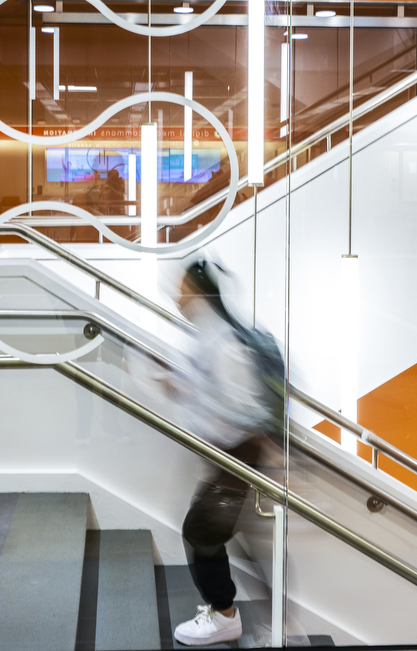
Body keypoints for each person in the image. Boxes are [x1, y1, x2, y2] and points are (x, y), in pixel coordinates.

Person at [163, 259, 284, 646]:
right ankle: (276, 623)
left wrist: (195, 405)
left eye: (182, 289)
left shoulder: (223, 342)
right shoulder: (208, 335)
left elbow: (240, 407)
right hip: (231, 456)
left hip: (238, 456)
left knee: (200, 531)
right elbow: (216, 392)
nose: (175, 296)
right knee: (238, 537)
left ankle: (226, 616)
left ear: (199, 293)